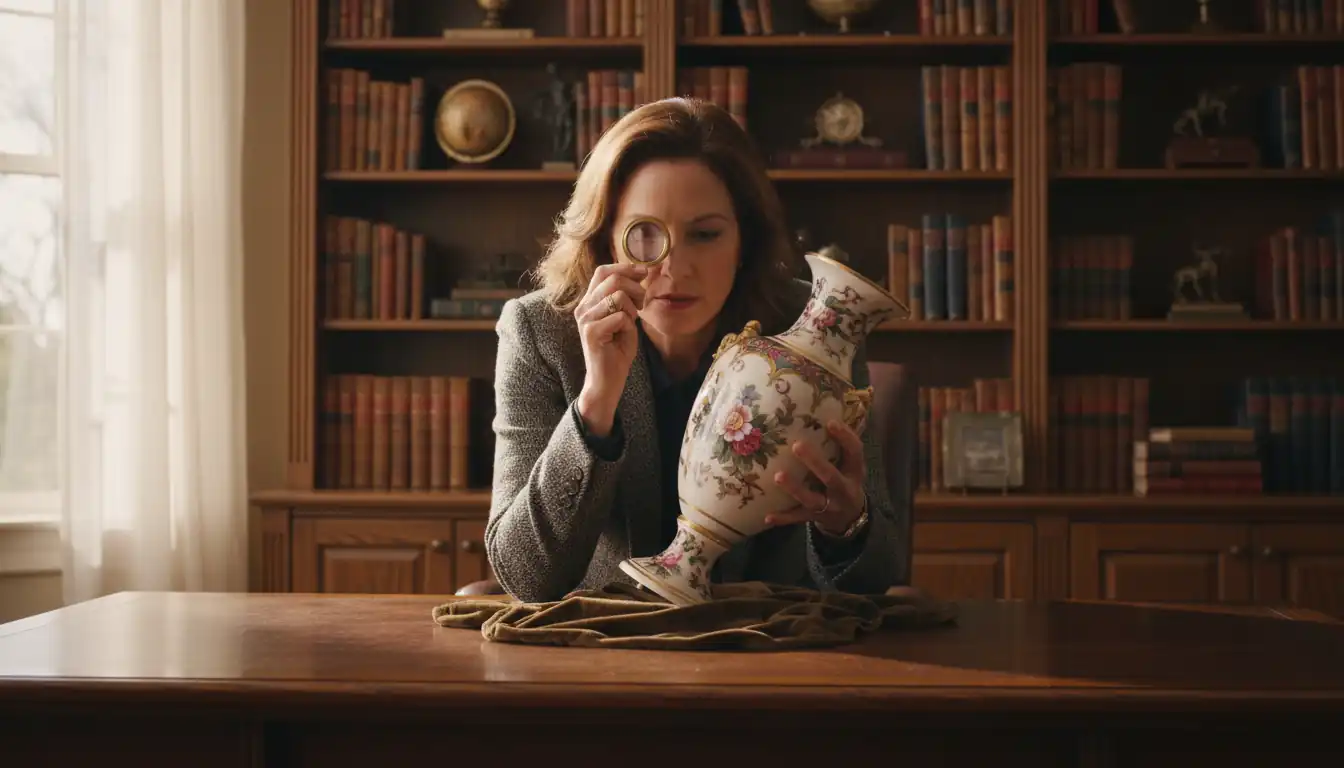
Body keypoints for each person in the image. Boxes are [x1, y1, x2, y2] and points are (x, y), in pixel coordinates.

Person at [486, 97, 904, 603]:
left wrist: (846, 525)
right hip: (606, 648)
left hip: (771, 646)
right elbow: (526, 577)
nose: (675, 271)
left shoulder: (815, 326)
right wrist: (595, 405)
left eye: (705, 235)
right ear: (605, 240)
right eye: (645, 235)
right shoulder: (541, 332)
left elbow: (877, 575)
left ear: (744, 240)